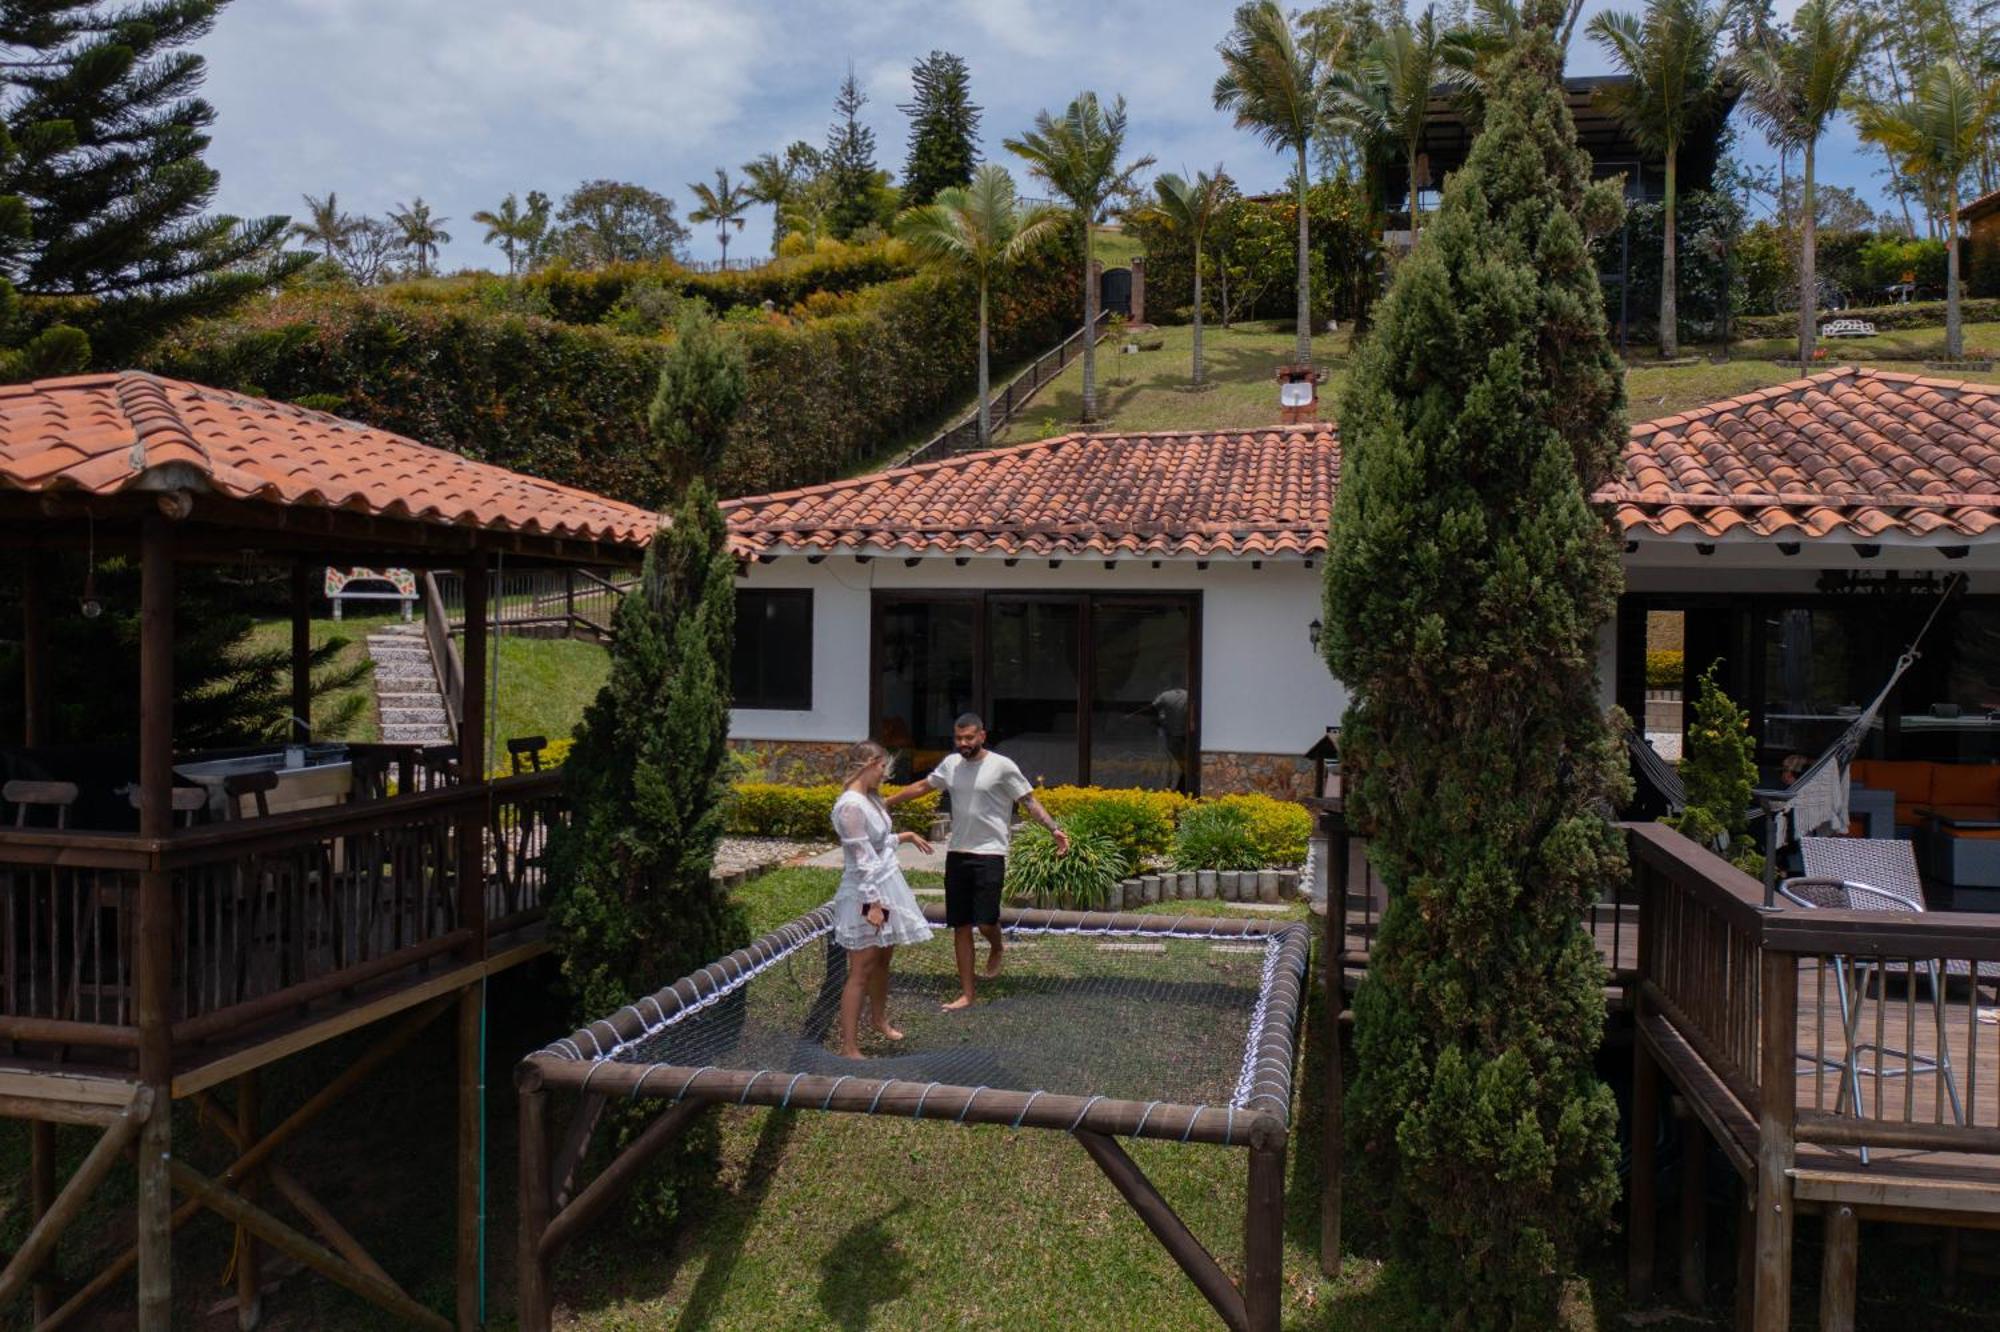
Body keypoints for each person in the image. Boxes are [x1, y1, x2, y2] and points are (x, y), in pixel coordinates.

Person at [885, 713, 1067, 1010]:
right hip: (958, 853)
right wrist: (887, 802)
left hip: (991, 853)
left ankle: (996, 945)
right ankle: (967, 993)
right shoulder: (951, 765)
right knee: (960, 924)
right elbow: (923, 787)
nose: (963, 743)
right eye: (959, 738)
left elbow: (1029, 801)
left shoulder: (1002, 766)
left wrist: (1054, 829)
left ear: (982, 735)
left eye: (969, 737)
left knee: (985, 920)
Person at [831, 740, 934, 1058]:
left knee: (883, 960)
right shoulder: (850, 805)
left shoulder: (870, 799)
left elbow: (875, 843)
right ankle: (849, 1045)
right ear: (870, 763)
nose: (884, 775)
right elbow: (862, 859)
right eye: (881, 768)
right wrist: (873, 904)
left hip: (885, 886)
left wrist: (902, 836)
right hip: (866, 893)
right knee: (861, 968)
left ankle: (878, 1019)